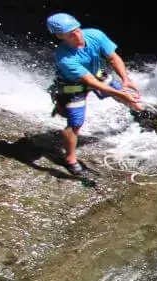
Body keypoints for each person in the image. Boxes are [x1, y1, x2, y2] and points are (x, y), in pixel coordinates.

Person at [46, 12, 143, 176]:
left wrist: (125, 79)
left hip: (95, 73)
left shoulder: (95, 35)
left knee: (123, 92)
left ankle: (139, 110)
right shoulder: (64, 57)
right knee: (76, 122)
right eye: (71, 34)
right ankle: (70, 158)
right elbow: (91, 82)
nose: (77, 34)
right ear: (60, 36)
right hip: (73, 85)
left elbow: (113, 58)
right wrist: (120, 94)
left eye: (77, 29)